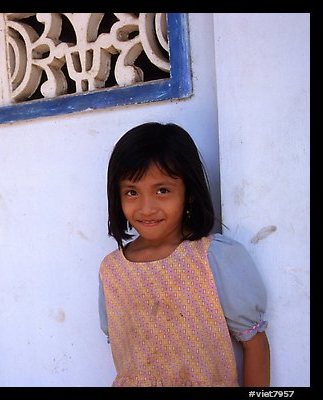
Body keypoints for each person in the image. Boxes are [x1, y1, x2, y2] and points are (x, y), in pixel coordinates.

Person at [98, 122, 270, 387]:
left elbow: (255, 345)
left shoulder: (213, 258)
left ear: (188, 193)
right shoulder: (112, 271)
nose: (146, 208)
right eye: (132, 192)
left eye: (162, 190)